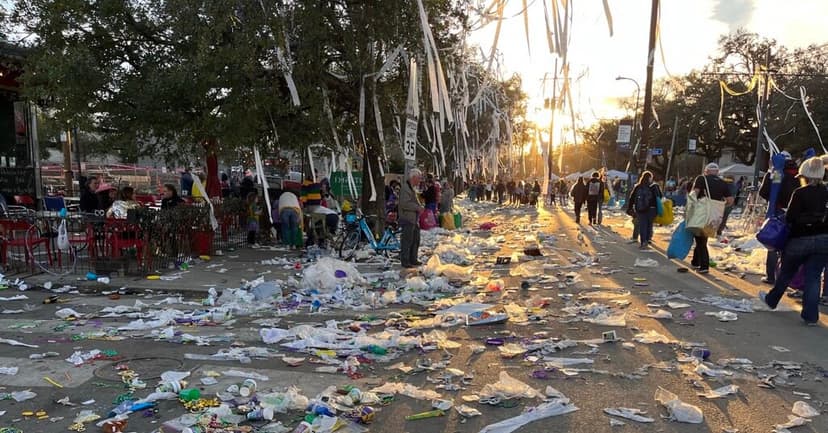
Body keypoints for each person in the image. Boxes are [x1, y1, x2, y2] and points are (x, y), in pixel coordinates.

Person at [760, 157, 828, 325]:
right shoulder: (826, 192)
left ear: (804, 174)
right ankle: (811, 316)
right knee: (813, 278)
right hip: (822, 240)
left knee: (787, 272)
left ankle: (772, 300)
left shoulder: (800, 193)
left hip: (799, 239)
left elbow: (790, 217)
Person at [758, 152, 799, 284]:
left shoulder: (775, 173)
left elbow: (764, 192)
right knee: (790, 246)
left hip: (778, 212)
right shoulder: (800, 174)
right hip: (796, 214)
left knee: (773, 244)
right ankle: (786, 277)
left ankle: (771, 276)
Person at [689, 163, 733, 273]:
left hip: (702, 213)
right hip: (714, 215)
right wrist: (718, 205)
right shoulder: (723, 183)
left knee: (700, 239)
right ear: (717, 172)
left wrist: (690, 205)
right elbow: (730, 200)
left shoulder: (701, 178)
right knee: (703, 238)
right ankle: (695, 261)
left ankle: (704, 266)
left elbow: (695, 193)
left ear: (706, 171)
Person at [627, 171, 662, 249]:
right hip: (652, 209)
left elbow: (632, 197)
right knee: (649, 224)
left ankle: (643, 242)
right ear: (650, 178)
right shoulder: (654, 186)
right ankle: (648, 238)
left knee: (643, 225)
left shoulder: (638, 187)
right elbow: (660, 197)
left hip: (640, 209)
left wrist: (630, 208)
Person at [399, 169, 424, 269]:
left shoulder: (412, 188)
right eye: (419, 178)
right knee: (407, 241)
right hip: (407, 218)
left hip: (414, 219)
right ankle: (405, 260)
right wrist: (417, 207)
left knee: (415, 240)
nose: (420, 180)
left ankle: (413, 258)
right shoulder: (405, 189)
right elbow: (404, 203)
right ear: (413, 178)